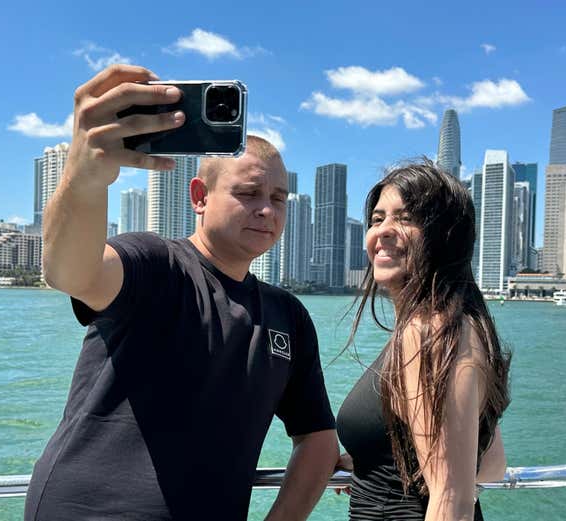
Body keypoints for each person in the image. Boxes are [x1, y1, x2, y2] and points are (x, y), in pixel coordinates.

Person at [25, 64, 339, 521]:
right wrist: (86, 174)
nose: (266, 210)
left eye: (278, 198)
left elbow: (317, 438)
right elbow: (72, 273)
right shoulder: (155, 264)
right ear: (199, 196)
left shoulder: (287, 315)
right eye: (249, 193)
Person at [335, 160, 511, 520]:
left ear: (445, 235)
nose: (383, 230)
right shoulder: (461, 326)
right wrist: (374, 458)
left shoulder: (429, 332)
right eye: (377, 219)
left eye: (405, 218)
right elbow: (492, 464)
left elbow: (452, 498)